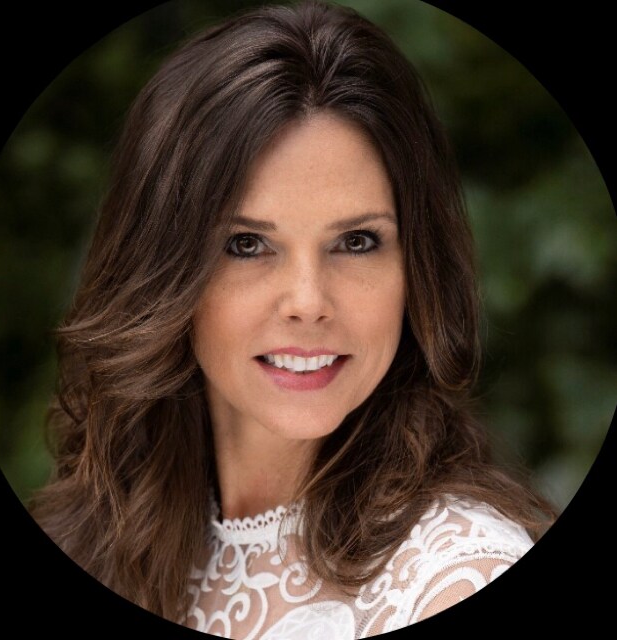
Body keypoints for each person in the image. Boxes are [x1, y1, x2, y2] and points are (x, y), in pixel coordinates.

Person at [29, 1, 556, 636]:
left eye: (356, 241)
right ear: (161, 270)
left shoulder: (457, 578)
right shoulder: (90, 541)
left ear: (417, 267)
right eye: (247, 244)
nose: (308, 301)